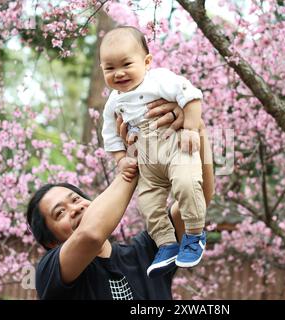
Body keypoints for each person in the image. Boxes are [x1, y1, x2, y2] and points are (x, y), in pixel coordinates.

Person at [26, 101, 215, 300]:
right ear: (51, 242)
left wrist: (194, 127)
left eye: (75, 199)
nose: (74, 209)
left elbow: (198, 195)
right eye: (60, 213)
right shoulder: (49, 273)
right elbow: (90, 234)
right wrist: (134, 158)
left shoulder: (148, 252)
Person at [100, 26, 207, 277]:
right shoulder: (113, 101)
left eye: (126, 64)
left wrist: (191, 128)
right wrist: (120, 159)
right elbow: (110, 135)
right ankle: (167, 244)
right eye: (109, 68)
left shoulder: (159, 79)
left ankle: (194, 233)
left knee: (186, 183)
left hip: (174, 145)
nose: (119, 73)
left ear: (146, 61)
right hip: (146, 158)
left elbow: (190, 97)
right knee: (148, 204)